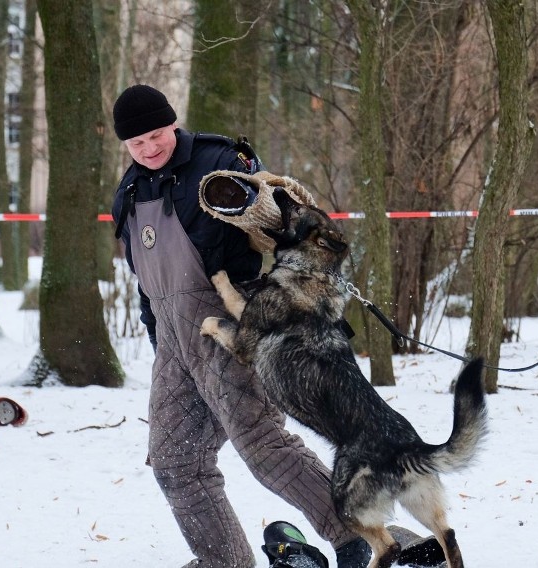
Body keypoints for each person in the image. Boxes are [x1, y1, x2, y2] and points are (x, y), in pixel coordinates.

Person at [111, 84, 371, 568]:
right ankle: (224, 561)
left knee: (264, 446)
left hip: (236, 329)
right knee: (175, 463)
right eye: (135, 142)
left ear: (172, 123)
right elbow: (147, 286)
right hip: (174, 347)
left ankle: (365, 537)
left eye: (154, 135)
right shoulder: (127, 193)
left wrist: (263, 208)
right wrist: (158, 341)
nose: (148, 148)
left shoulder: (221, 162)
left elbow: (285, 220)